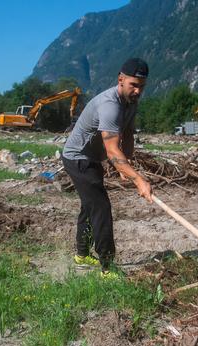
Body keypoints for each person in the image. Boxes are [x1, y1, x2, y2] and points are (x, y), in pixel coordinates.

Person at [61, 58, 153, 279]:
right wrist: (139, 180)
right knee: (100, 208)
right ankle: (107, 267)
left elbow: (128, 135)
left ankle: (82, 256)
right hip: (78, 159)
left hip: (92, 159)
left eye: (142, 86)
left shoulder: (131, 102)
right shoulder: (109, 105)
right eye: (133, 85)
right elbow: (112, 150)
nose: (138, 90)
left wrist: (125, 167)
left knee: (90, 206)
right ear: (120, 80)